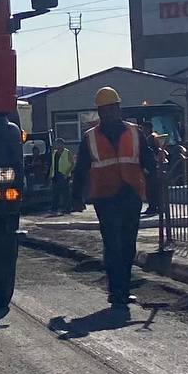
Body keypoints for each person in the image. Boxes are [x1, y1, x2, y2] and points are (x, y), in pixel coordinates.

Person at [70, 88, 158, 306]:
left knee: (128, 245)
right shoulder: (90, 137)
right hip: (105, 197)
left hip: (130, 194)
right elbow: (81, 168)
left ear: (119, 109)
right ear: (99, 112)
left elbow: (148, 162)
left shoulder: (135, 132)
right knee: (112, 244)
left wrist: (154, 189)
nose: (108, 113)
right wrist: (76, 196)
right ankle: (115, 289)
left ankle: (124, 289)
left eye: (112, 109)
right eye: (104, 110)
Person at [49, 138, 73, 213]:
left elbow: (72, 163)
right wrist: (50, 174)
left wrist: (67, 173)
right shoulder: (54, 153)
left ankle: (67, 208)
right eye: (56, 144)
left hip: (63, 175)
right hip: (55, 175)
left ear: (62, 144)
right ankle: (54, 209)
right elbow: (52, 165)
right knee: (55, 193)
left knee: (65, 193)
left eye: (59, 144)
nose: (57, 145)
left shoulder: (67, 152)